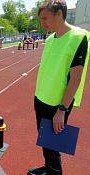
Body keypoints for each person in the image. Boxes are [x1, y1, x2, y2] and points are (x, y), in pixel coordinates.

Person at [28, 0, 90, 175]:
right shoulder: (50, 39)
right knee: (45, 141)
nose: (42, 23)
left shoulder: (78, 38)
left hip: (57, 104)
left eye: (45, 18)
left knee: (52, 144)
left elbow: (75, 79)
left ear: (59, 13)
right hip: (41, 98)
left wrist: (62, 110)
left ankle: (54, 172)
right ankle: (49, 168)